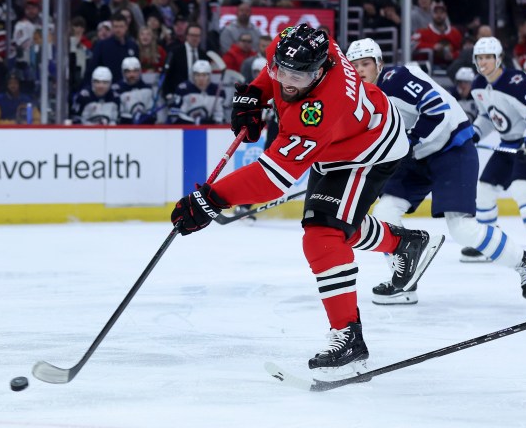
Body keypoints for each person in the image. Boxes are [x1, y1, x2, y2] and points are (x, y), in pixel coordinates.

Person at [169, 24, 443, 381]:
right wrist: (256, 93)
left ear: (320, 70)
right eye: (281, 70)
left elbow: (274, 178)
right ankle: (403, 244)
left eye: (298, 76)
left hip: (369, 151)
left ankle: (349, 337)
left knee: (324, 235)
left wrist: (212, 198)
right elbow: (278, 76)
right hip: (337, 146)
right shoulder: (297, 45)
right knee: (336, 220)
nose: (287, 81)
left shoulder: (322, 108)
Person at [346, 38, 526, 306]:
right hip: (418, 155)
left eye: (366, 64)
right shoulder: (361, 97)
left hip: (451, 149)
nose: (360, 70)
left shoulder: (398, 78)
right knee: (384, 213)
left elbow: (437, 109)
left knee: (462, 228)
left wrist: (410, 142)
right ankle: (404, 282)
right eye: (355, 65)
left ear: (380, 64)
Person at [460, 37, 526, 263]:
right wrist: (474, 133)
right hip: (509, 142)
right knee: (484, 189)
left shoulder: (517, 82)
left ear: (499, 58)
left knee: (522, 187)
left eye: (488, 57)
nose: (483, 62)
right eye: (479, 58)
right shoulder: (478, 86)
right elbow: (487, 116)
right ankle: (489, 243)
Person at [167, 59, 224, 125]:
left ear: (209, 76)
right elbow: (174, 115)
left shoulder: (217, 91)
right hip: (185, 129)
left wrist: (215, 121)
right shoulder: (184, 90)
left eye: (204, 75)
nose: (201, 79)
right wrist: (195, 122)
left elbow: (220, 115)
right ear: (193, 76)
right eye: (198, 75)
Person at [112, 57, 155, 124]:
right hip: (124, 128)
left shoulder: (147, 89)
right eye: (128, 71)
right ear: (123, 73)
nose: (132, 75)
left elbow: (152, 113)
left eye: (135, 71)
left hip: (145, 127)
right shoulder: (117, 90)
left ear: (140, 72)